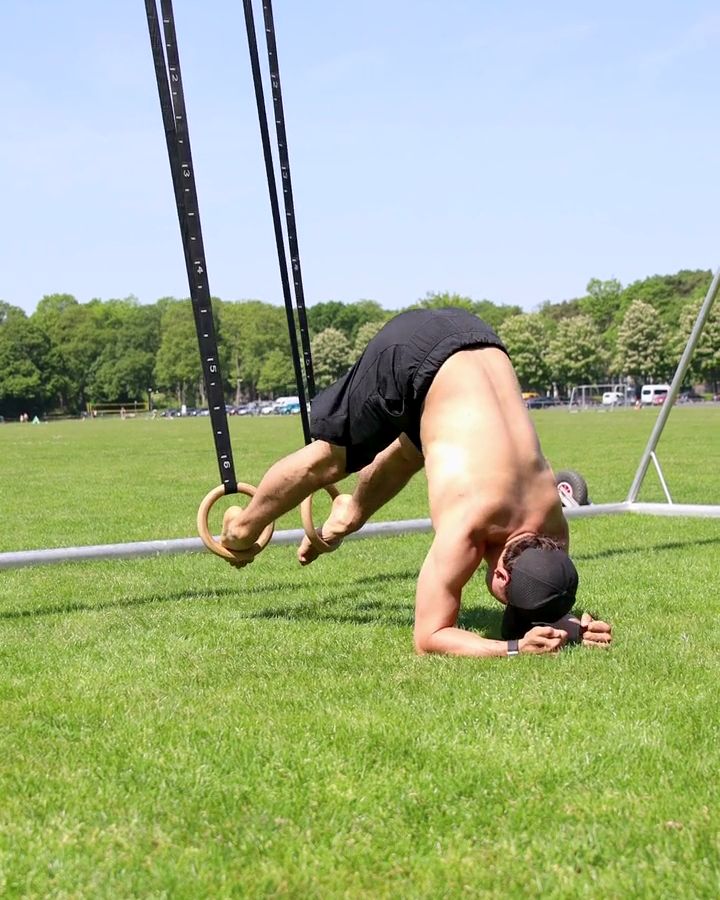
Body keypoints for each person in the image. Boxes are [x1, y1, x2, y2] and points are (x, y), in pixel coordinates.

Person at [221, 308, 612, 658]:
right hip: (410, 351)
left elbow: (546, 586)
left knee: (415, 450)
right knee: (331, 460)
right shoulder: (468, 526)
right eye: (508, 602)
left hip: (478, 338)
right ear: (501, 576)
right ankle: (241, 527)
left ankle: (350, 513)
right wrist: (512, 648)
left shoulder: (554, 529)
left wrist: (571, 624)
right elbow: (429, 637)